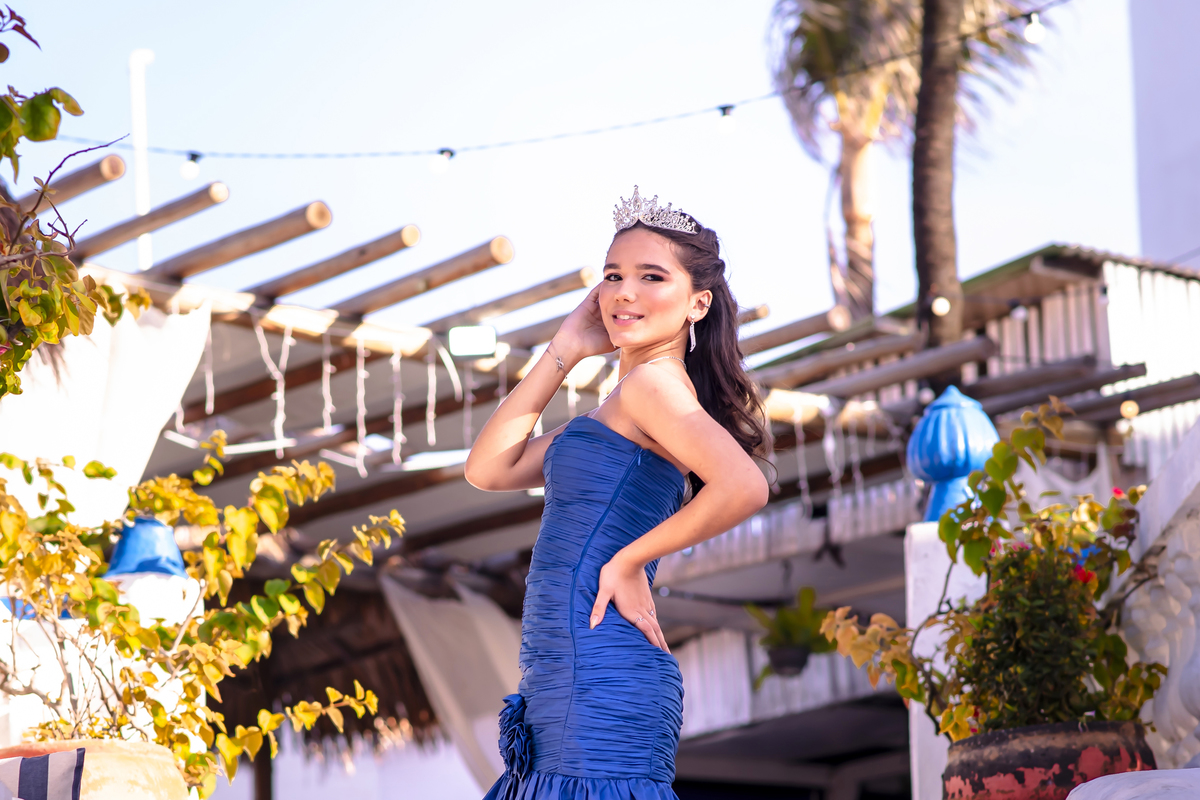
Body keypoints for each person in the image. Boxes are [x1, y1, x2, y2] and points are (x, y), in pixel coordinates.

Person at [465, 187, 770, 799]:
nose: (623, 292)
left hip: (597, 664)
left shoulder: (651, 387)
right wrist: (567, 349)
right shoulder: (622, 402)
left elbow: (744, 486)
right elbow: (489, 467)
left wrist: (628, 559)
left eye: (651, 276)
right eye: (612, 276)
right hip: (568, 665)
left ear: (697, 302)